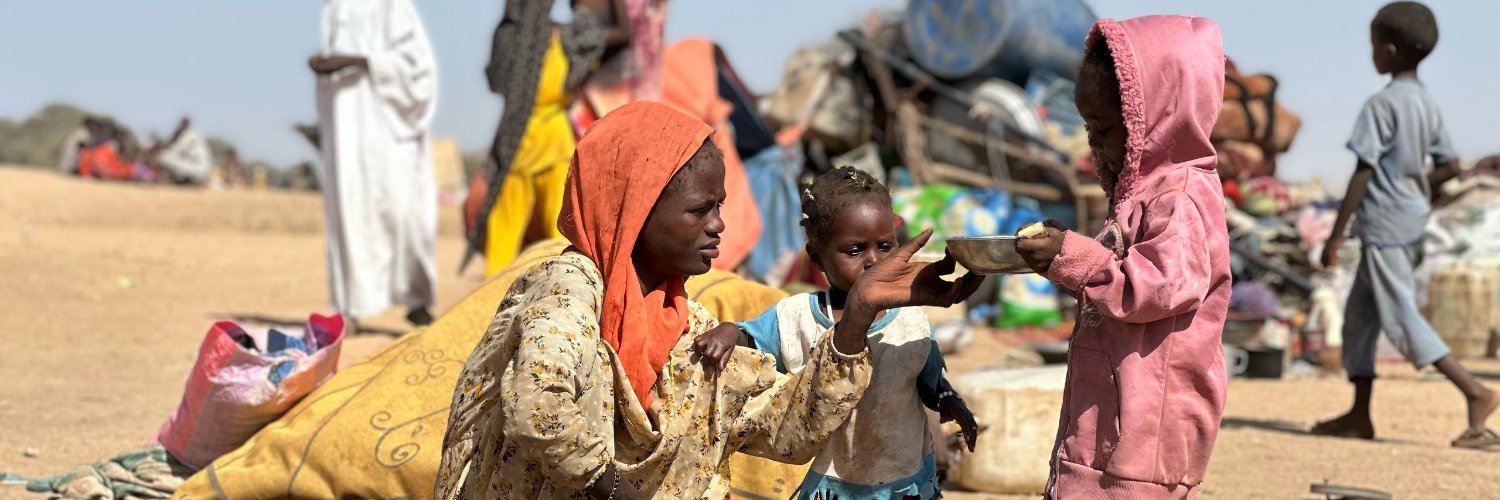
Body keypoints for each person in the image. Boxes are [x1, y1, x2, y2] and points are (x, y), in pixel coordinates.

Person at [435, 102, 983, 499]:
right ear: (637, 206)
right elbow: (539, 408)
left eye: (720, 205)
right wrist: (614, 488)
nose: (720, 225)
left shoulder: (685, 324)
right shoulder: (568, 289)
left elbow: (783, 430)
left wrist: (855, 319)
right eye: (701, 209)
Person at [1013, 16, 1232, 497]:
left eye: (1108, 128)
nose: (1096, 146)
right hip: (1107, 417)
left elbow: (1157, 287)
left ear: (1158, 116)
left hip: (1147, 432)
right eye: (1089, 128)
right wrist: (1062, 256)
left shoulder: (1183, 196)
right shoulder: (1139, 196)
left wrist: (1073, 257)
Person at [693, 166, 979, 499]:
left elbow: (930, 379)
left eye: (885, 246)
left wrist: (949, 400)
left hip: (905, 476)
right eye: (855, 251)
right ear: (817, 257)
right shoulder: (798, 316)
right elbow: (752, 339)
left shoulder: (911, 318)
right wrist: (729, 332)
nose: (873, 261)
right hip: (834, 479)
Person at [1313, 2, 1499, 448]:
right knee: (1360, 316)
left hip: (1383, 227)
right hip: (1411, 221)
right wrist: (1415, 187)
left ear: (1390, 51)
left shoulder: (1382, 105)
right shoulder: (1426, 103)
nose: (1371, 53)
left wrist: (1336, 234)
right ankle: (1359, 415)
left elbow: (1363, 171)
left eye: (1373, 44)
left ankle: (1475, 392)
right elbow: (1450, 166)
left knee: (1399, 316)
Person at [464, 0, 616, 276]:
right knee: (555, 225)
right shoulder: (567, 37)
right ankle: (558, 287)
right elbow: (619, 34)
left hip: (518, 138)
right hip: (540, 141)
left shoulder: (510, 39)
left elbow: (494, 80)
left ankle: (499, 294)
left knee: (512, 228)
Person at [310, 0, 438, 327]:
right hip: (345, 125)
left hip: (389, 122)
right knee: (350, 212)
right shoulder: (333, 8)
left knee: (405, 212)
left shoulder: (392, 5)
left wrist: (358, 61)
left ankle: (416, 298)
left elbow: (418, 67)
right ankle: (351, 306)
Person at [154, 117, 214, 185]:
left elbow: (175, 150)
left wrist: (160, 146)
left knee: (163, 157)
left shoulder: (189, 135)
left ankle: (166, 179)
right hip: (198, 168)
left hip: (199, 169)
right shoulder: (193, 134)